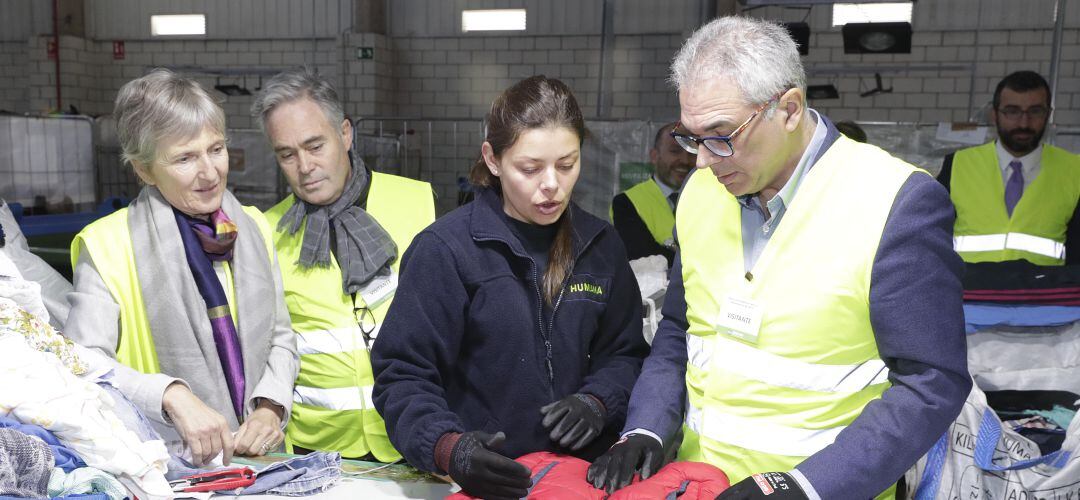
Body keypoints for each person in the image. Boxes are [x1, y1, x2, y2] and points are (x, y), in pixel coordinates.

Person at [586, 17, 970, 500]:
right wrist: (646, 426)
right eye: (691, 136)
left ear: (789, 109)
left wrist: (807, 486)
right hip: (696, 484)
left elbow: (931, 382)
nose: (702, 160)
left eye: (721, 134)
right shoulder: (702, 192)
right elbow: (681, 328)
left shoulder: (895, 202)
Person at [371, 75, 649, 499]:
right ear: (493, 159)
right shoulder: (447, 251)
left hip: (580, 481)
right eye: (530, 168)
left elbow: (626, 352)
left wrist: (598, 400)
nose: (552, 184)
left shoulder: (600, 246)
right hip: (487, 484)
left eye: (567, 164)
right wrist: (448, 447)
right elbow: (403, 375)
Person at [65, 69, 299, 466]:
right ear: (143, 169)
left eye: (216, 149)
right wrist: (169, 395)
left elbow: (281, 335)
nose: (210, 172)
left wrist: (270, 406)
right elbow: (80, 363)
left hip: (263, 463)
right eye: (185, 158)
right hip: (166, 467)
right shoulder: (106, 245)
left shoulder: (254, 227)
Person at [253, 68, 435, 461]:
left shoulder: (419, 204)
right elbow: (269, 345)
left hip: (415, 437)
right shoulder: (268, 232)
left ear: (346, 134)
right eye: (287, 154)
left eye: (315, 146)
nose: (304, 166)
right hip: (316, 450)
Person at [938, 70, 1080, 266]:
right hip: (968, 292)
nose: (1024, 122)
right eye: (1012, 111)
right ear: (994, 115)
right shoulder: (956, 166)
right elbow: (933, 242)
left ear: (1048, 114)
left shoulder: (1074, 171)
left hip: (1044, 294)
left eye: (1035, 111)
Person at [610, 122, 694, 265]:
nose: (685, 160)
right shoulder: (625, 202)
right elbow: (642, 256)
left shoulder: (711, 199)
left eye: (692, 152)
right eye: (675, 151)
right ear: (654, 156)